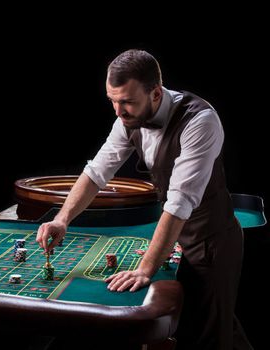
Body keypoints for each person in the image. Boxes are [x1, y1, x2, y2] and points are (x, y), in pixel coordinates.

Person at [36, 49, 252, 349]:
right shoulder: (128, 119)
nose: (118, 111)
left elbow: (178, 203)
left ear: (155, 93)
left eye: (127, 102)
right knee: (217, 325)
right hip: (178, 239)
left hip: (210, 242)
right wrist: (62, 219)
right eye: (113, 101)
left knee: (209, 338)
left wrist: (145, 268)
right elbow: (97, 172)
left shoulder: (200, 121)